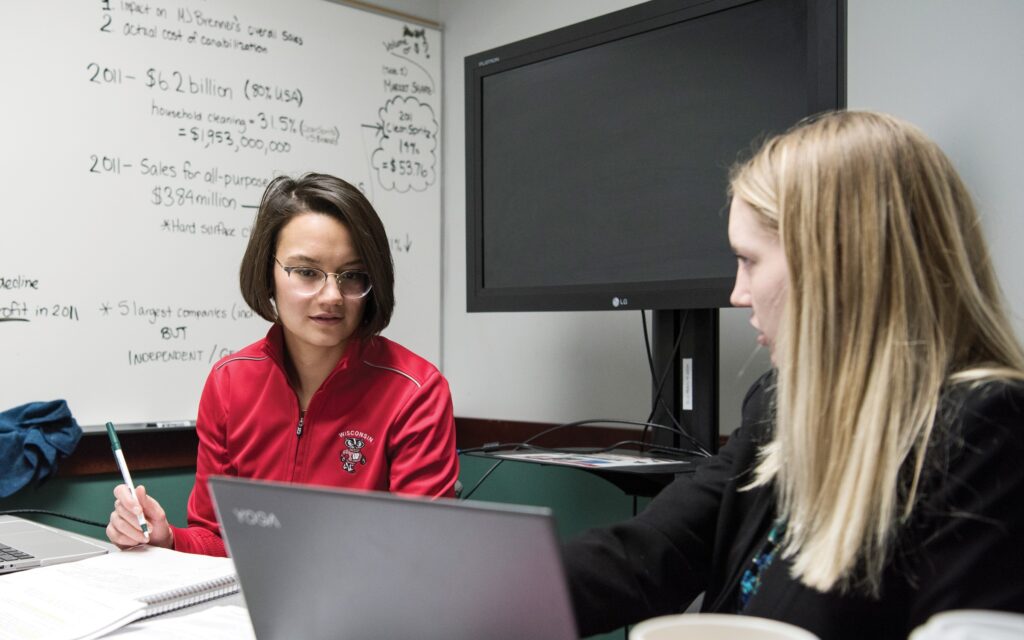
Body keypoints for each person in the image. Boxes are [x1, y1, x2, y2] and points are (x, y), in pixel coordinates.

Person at [563, 111, 1024, 639]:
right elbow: (652, 551)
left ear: (837, 265)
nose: (738, 293)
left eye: (749, 260)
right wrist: (497, 595)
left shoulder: (987, 431)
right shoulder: (780, 406)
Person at [106, 173, 458, 556]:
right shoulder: (230, 383)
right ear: (268, 274)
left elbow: (420, 555)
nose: (332, 296)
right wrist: (168, 540)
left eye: (353, 276)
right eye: (306, 272)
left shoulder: (415, 392)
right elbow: (218, 538)